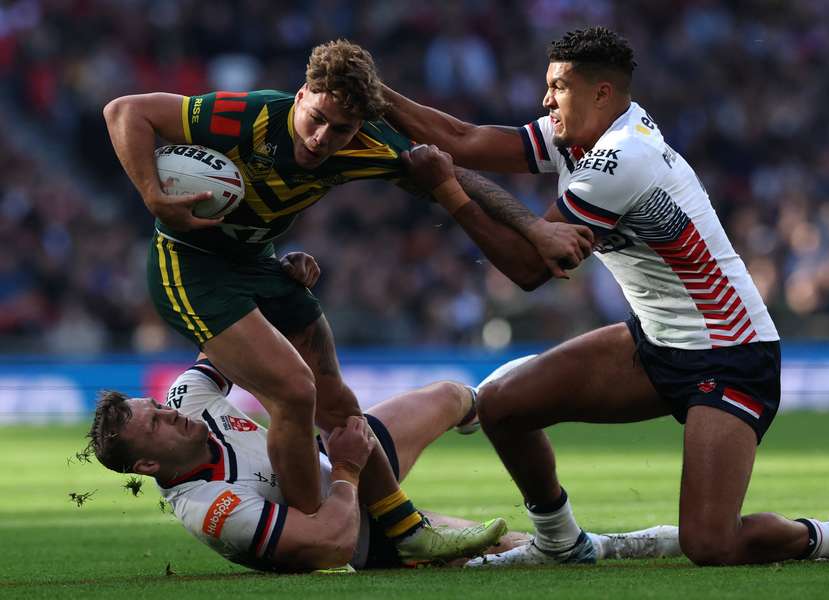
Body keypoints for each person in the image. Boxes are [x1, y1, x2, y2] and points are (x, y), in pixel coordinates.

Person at [384, 27, 829, 567]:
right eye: (548, 85)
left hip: (731, 354)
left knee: (711, 544)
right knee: (503, 406)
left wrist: (446, 189)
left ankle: (828, 535)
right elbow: (466, 139)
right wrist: (378, 98)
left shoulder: (621, 159)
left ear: (602, 95)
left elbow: (526, 267)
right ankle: (560, 543)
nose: (546, 100)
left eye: (558, 87)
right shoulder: (577, 134)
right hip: (655, 344)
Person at [103, 39, 590, 565]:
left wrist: (536, 227)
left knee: (335, 399)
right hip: (189, 266)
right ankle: (315, 520)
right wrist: (155, 197)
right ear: (302, 93)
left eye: (342, 129)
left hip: (257, 265)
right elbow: (124, 110)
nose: (323, 138)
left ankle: (404, 525)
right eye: (317, 118)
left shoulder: (365, 144)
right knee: (295, 391)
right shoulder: (244, 118)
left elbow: (451, 173)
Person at [87, 353, 681, 572]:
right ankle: (614, 544)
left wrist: (282, 280)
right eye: (158, 423)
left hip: (333, 461)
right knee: (510, 549)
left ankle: (504, 409)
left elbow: (232, 340)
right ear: (145, 466)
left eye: (159, 407)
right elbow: (331, 545)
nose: (173, 413)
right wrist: (346, 471)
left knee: (451, 395)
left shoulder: (189, 398)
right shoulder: (209, 507)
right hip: (361, 532)